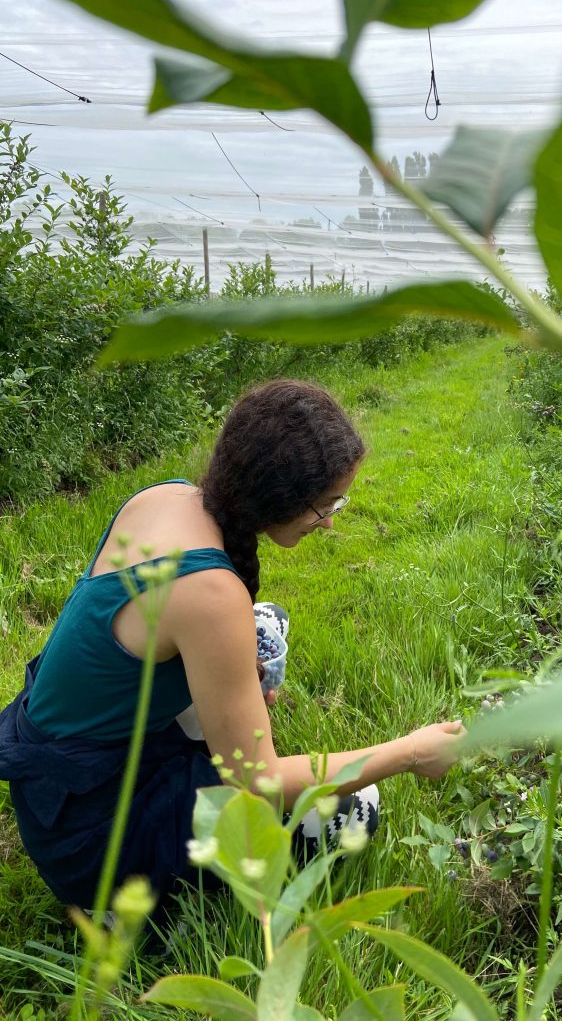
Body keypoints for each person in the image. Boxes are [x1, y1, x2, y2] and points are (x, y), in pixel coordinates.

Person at [0, 379, 466, 913]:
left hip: (61, 773)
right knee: (356, 808)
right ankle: (124, 905)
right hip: (93, 831)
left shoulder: (168, 496)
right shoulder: (211, 593)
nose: (332, 520)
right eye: (326, 504)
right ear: (281, 495)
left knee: (265, 626)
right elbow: (260, 782)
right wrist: (409, 752)